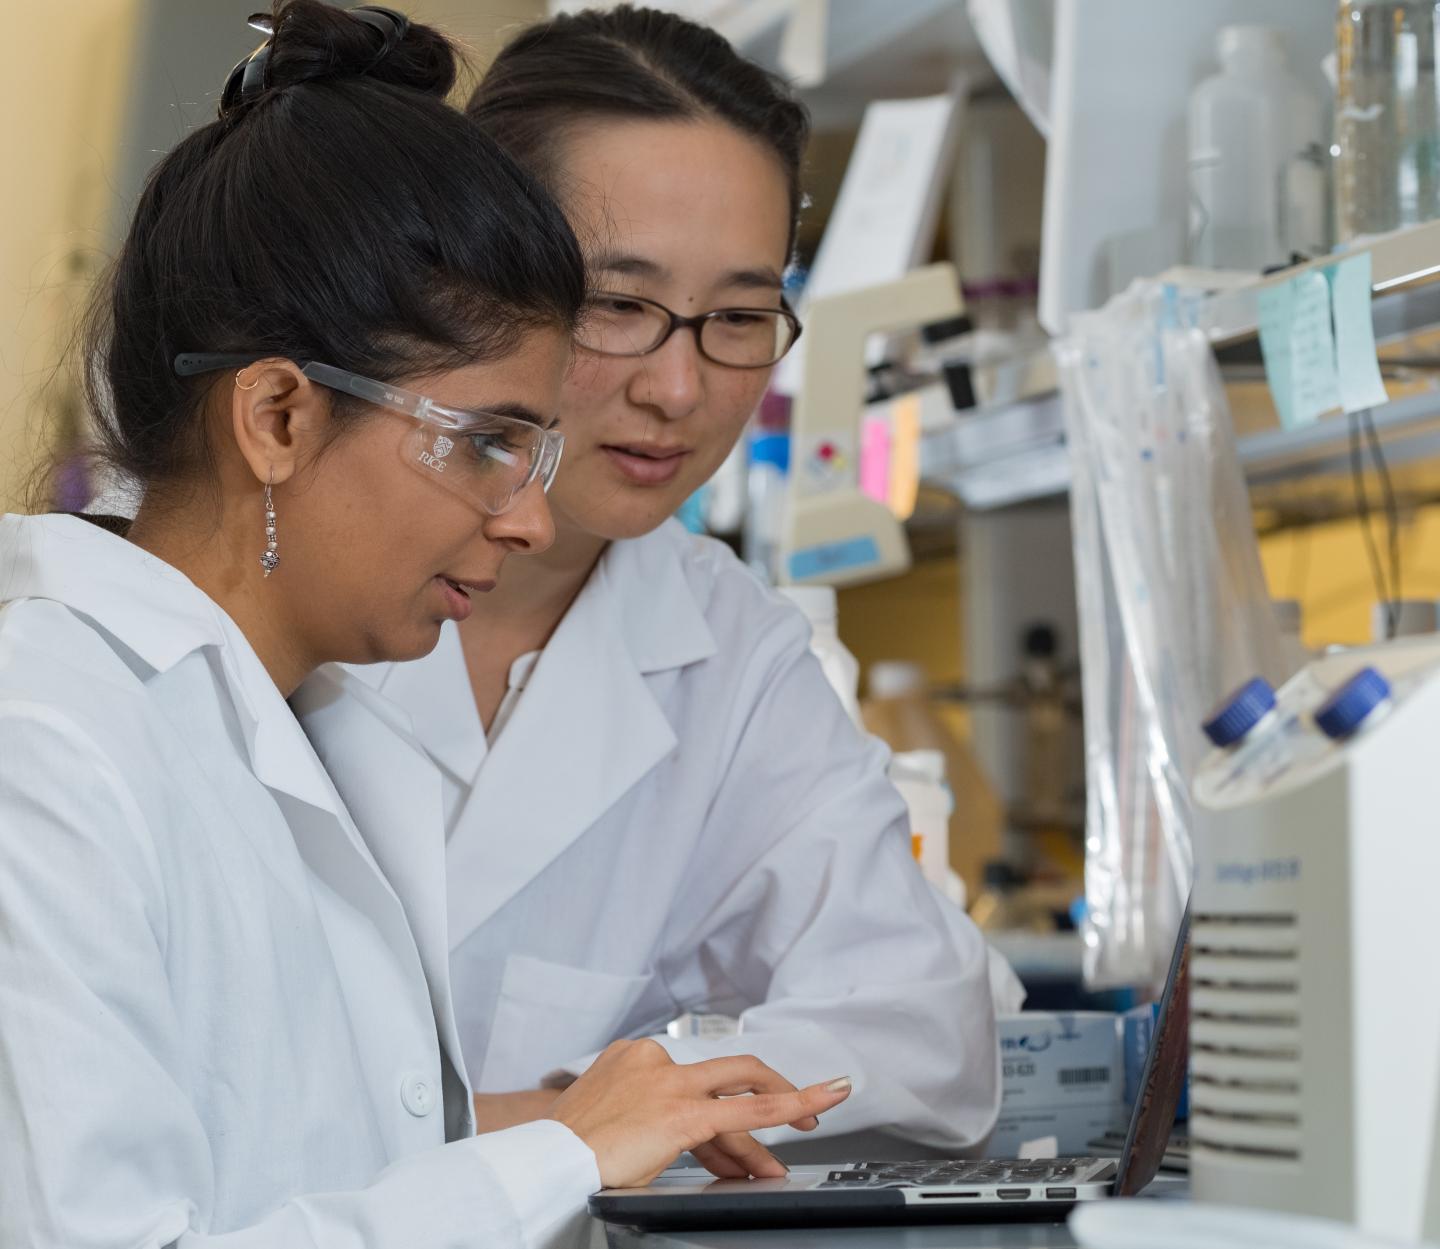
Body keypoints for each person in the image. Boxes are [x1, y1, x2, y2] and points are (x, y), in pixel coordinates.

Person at [0, 6, 852, 1247]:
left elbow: (325, 1176)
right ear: (280, 418)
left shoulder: (317, 731)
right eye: (488, 444)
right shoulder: (46, 741)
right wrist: (552, 1156)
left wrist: (549, 1138)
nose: (524, 517)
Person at [343, 4, 1009, 1150]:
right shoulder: (282, 582)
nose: (679, 391)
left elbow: (932, 1031)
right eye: (618, 304)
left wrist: (636, 1096)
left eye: (739, 317)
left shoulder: (724, 645)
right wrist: (564, 1127)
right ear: (464, 268)